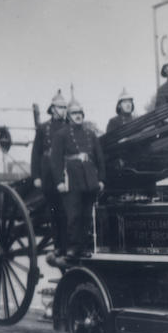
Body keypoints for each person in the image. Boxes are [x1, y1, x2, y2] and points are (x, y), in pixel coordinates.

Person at [51, 97, 105, 259]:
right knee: (73, 215)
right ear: (68, 115)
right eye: (74, 113)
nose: (78, 115)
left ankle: (84, 248)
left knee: (87, 215)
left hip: (89, 179)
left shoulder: (90, 133)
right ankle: (72, 248)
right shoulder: (61, 135)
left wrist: (101, 179)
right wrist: (59, 181)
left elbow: (99, 158)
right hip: (72, 180)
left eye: (80, 112)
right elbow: (56, 160)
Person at [30, 89, 68, 255]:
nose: (63, 110)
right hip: (48, 174)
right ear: (52, 109)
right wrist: (36, 176)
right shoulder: (43, 128)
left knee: (66, 210)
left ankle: (67, 245)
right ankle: (58, 245)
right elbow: (35, 153)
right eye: (60, 107)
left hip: (65, 171)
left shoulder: (69, 127)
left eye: (64, 107)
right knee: (54, 211)